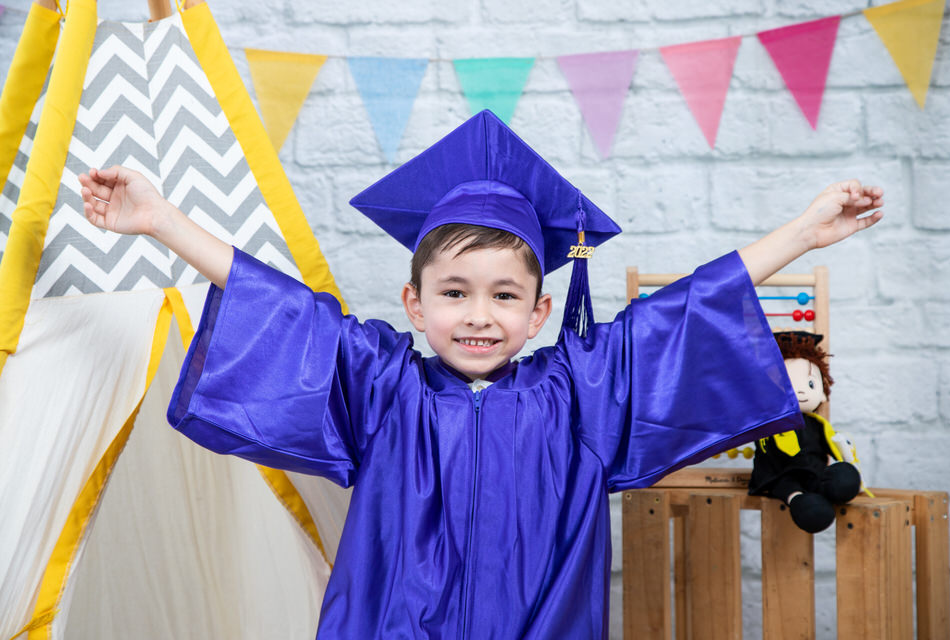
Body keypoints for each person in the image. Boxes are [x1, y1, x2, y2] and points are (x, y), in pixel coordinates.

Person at [78, 110, 883, 639]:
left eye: (505, 296)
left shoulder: (579, 394)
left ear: (538, 313)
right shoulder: (382, 387)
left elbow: (682, 312)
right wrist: (160, 220)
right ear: (413, 303)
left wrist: (802, 234)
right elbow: (282, 308)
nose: (477, 315)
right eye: (453, 293)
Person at [748, 331, 867, 533]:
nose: (801, 392)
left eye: (810, 385)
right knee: (788, 487)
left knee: (844, 478)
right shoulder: (771, 426)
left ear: (822, 392)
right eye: (789, 386)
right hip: (783, 476)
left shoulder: (819, 424)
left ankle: (832, 488)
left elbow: (834, 444)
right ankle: (799, 501)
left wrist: (847, 461)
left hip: (815, 472)